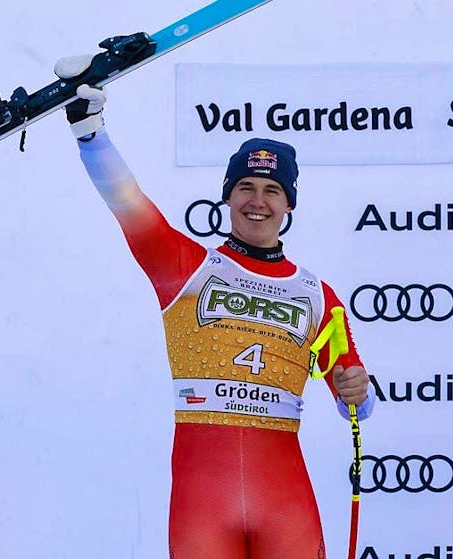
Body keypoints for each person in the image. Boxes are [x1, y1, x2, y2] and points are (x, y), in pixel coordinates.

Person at [57, 61, 375, 558]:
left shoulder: (317, 294)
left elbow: (355, 398)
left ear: (289, 204)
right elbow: (127, 202)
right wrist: (91, 134)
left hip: (283, 502)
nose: (258, 201)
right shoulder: (184, 266)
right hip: (202, 501)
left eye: (273, 191)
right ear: (227, 197)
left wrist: (357, 389)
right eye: (245, 187)